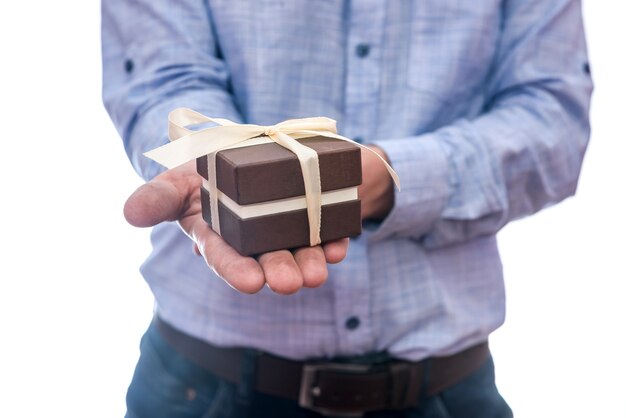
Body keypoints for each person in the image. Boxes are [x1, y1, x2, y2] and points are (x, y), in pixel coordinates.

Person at [102, 0, 592, 417]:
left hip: (449, 388)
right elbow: (161, 74)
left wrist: (391, 178)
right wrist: (214, 159)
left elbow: (553, 119)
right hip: (202, 387)